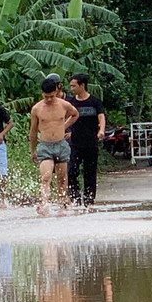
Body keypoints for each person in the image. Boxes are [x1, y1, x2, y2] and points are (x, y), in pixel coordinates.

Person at [28, 74, 79, 216]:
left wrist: (64, 126)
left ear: (56, 91)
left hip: (60, 145)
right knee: (46, 177)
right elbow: (33, 131)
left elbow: (75, 114)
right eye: (46, 97)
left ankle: (62, 204)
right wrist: (33, 150)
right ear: (42, 93)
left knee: (62, 179)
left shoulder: (64, 105)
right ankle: (44, 204)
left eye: (52, 96)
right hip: (45, 146)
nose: (49, 99)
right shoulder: (37, 109)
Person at [65, 73, 105, 208]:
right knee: (71, 171)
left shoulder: (94, 101)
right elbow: (66, 118)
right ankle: (75, 198)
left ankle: (89, 200)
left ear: (82, 85)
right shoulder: (71, 102)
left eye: (74, 86)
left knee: (90, 173)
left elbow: (101, 117)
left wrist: (101, 130)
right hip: (75, 143)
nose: (72, 89)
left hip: (91, 143)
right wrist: (64, 130)